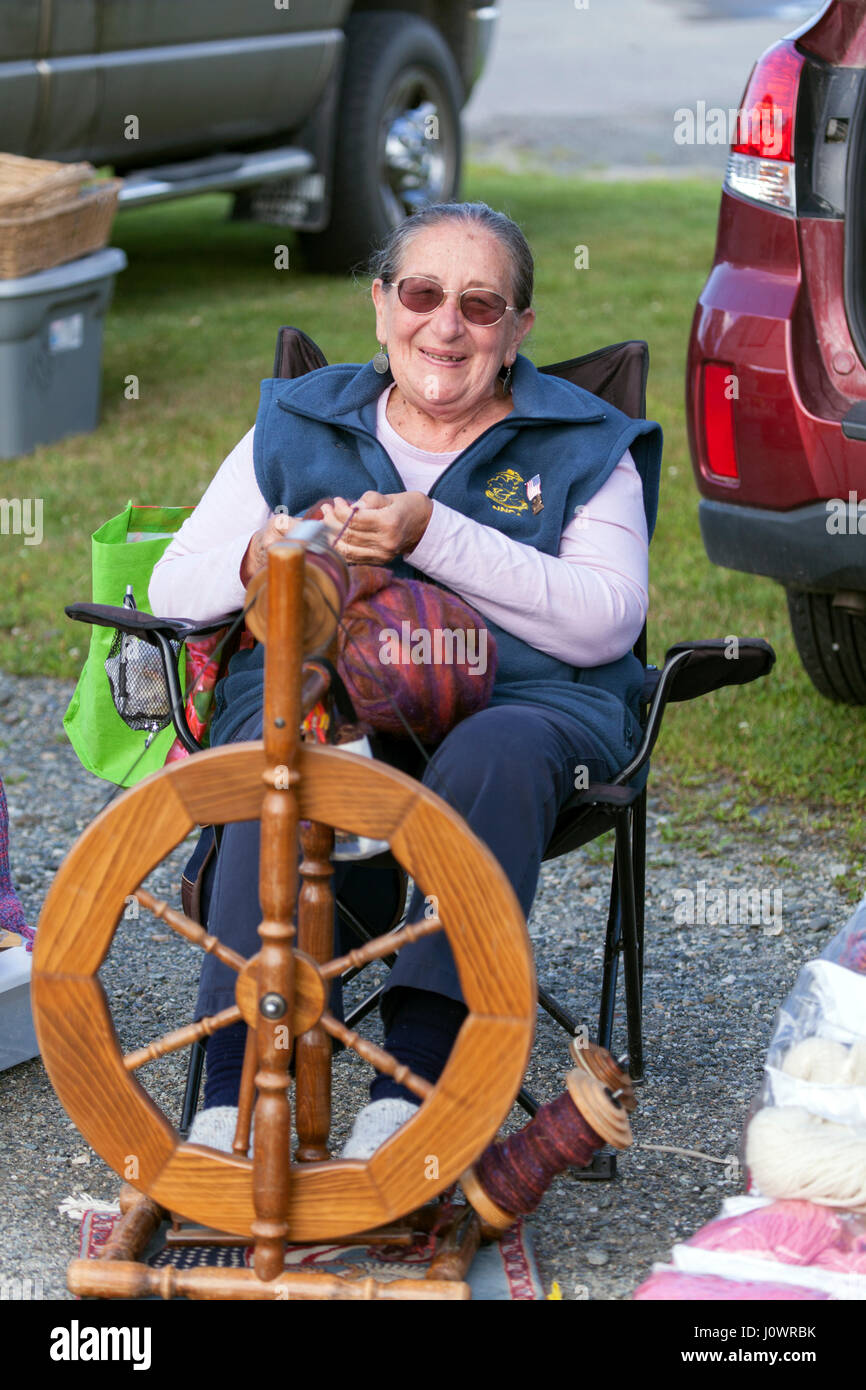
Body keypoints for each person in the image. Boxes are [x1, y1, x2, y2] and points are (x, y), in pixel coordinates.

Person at [149, 201, 663, 1159]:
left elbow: (606, 617)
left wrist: (437, 532)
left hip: (526, 703)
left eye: (480, 304)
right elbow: (175, 586)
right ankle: (231, 1096)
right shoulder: (300, 417)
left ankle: (410, 1081)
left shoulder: (586, 441)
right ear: (383, 306)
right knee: (278, 737)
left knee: (495, 749)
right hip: (322, 694)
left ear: (517, 331)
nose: (447, 324)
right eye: (423, 294)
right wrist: (262, 554)